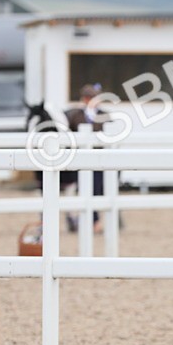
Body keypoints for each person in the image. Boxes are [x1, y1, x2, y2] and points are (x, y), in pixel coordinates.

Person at [65, 83, 109, 233]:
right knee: (81, 189)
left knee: (96, 189)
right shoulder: (75, 115)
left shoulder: (104, 115)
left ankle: (95, 221)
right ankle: (83, 221)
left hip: (98, 159)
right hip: (80, 159)